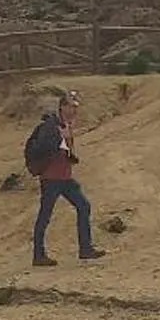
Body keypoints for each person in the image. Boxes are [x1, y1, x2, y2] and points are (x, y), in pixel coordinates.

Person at [23, 90, 104, 267]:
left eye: (76, 107)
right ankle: (39, 255)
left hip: (64, 177)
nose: (74, 110)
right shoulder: (51, 126)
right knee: (45, 215)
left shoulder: (64, 125)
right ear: (62, 107)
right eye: (70, 106)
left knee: (83, 206)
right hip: (51, 178)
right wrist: (61, 139)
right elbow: (44, 147)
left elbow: (64, 150)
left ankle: (85, 249)